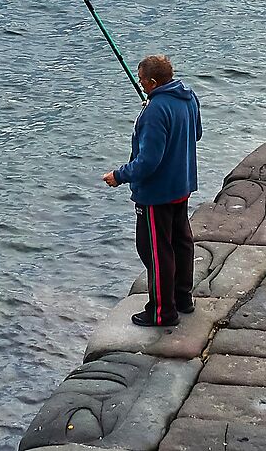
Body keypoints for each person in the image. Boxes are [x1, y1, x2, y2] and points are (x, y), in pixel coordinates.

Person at [103, 54, 201, 327]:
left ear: (154, 81)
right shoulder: (189, 97)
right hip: (182, 186)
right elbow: (196, 133)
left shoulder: (155, 111)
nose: (140, 82)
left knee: (155, 251)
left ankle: (162, 312)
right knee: (181, 243)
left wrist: (119, 176)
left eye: (142, 79)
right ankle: (183, 299)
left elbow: (148, 161)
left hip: (157, 194)